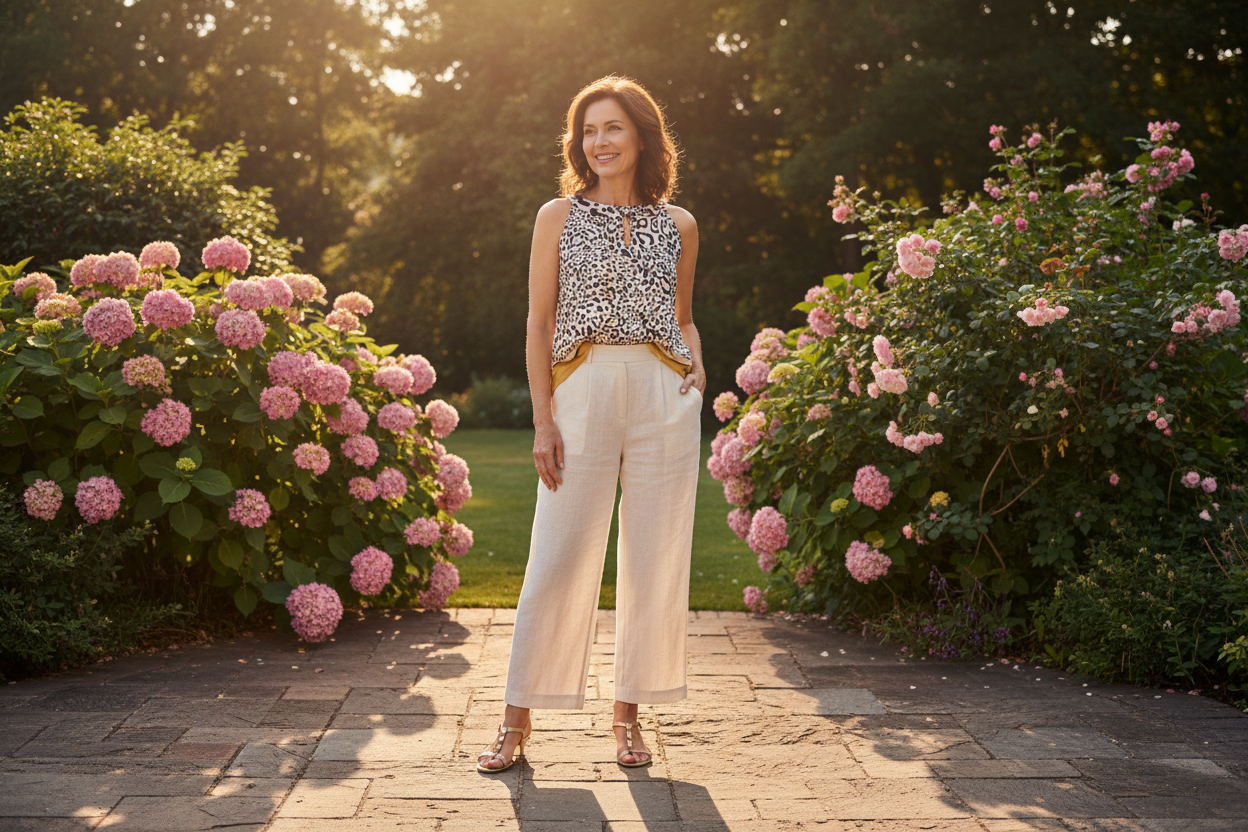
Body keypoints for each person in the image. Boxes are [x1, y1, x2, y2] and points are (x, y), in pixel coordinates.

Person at [476, 75, 705, 773]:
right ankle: (516, 721)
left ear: (641, 137)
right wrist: (543, 420)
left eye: (613, 128)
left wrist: (697, 368)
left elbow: (684, 317)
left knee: (656, 557)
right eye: (589, 130)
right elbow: (538, 322)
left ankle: (628, 719)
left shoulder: (680, 225)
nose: (599, 141)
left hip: (663, 391)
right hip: (582, 388)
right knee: (558, 555)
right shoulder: (558, 216)